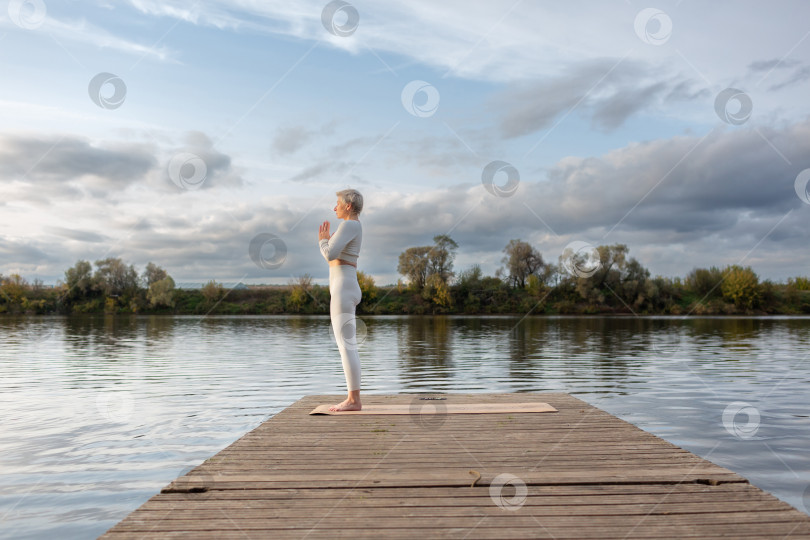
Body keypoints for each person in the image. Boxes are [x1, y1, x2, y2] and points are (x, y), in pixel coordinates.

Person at [318, 189, 363, 411]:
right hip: (345, 286)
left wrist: (323, 241)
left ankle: (354, 400)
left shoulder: (350, 225)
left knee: (346, 346)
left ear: (348, 205)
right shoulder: (351, 226)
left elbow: (329, 254)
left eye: (337, 203)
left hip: (344, 289)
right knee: (347, 346)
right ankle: (353, 398)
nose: (334, 207)